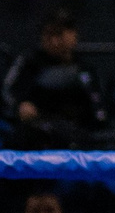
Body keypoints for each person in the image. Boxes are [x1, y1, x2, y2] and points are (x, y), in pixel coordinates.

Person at [5, 10, 107, 147]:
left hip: (75, 135)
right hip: (36, 133)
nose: (54, 41)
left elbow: (98, 108)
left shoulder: (84, 69)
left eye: (59, 34)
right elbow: (8, 92)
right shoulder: (29, 64)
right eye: (48, 35)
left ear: (73, 35)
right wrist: (19, 106)